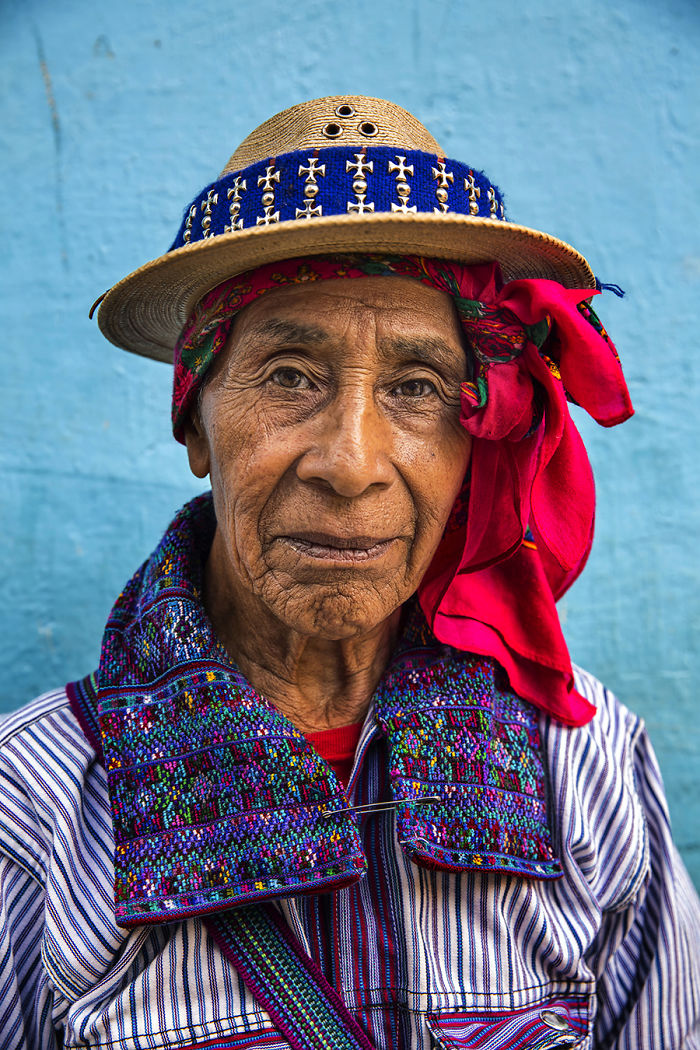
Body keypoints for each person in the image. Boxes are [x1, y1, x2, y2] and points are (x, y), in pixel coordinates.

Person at [1, 95, 698, 1050]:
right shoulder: (33, 809)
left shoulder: (582, 767)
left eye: (415, 388)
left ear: (476, 438)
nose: (353, 461)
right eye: (290, 374)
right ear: (193, 420)